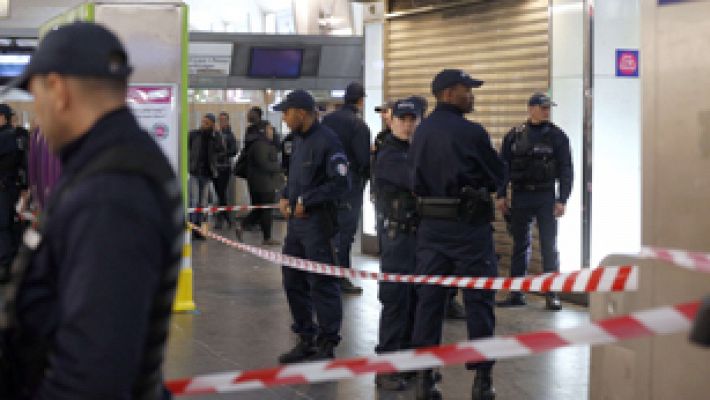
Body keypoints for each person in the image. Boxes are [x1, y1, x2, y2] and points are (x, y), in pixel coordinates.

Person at [0, 22, 182, 399]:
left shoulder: (112, 193)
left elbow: (93, 377)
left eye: (36, 97)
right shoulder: (109, 165)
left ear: (58, 90)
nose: (37, 112)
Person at [409, 69, 504, 400]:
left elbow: (413, 178)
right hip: (469, 230)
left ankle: (424, 378)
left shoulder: (420, 133)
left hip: (431, 229)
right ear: (448, 93)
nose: (472, 95)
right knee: (479, 300)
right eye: (467, 90)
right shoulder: (472, 133)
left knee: (429, 302)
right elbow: (497, 175)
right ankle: (482, 380)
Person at [275, 90, 349, 364]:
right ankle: (306, 337)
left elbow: (341, 183)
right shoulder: (297, 141)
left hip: (320, 224)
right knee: (293, 278)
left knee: (323, 282)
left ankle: (327, 343)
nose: (283, 118)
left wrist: (308, 200)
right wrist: (285, 194)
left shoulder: (328, 142)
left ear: (301, 113)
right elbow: (295, 178)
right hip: (297, 226)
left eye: (286, 112)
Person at [496, 92, 573, 311]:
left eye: (549, 108)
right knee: (520, 245)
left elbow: (566, 169)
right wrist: (501, 194)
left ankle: (552, 293)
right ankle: (516, 292)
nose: (547, 111)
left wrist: (562, 199)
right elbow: (504, 167)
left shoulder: (557, 136)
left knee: (549, 246)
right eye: (543, 107)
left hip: (545, 196)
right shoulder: (515, 135)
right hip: (521, 195)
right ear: (531, 109)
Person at [372, 98, 422, 391]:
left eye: (411, 119)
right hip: (397, 237)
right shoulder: (388, 153)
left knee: (416, 300)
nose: (407, 124)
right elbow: (415, 180)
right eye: (402, 119)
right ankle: (386, 366)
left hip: (418, 236)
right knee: (395, 301)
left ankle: (408, 362)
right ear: (392, 121)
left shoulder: (416, 150)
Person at [322, 82, 372, 295]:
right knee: (346, 235)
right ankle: (340, 278)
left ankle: (324, 275)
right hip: (350, 186)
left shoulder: (327, 120)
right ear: (360, 101)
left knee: (329, 232)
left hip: (328, 183)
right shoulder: (358, 125)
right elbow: (362, 159)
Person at [242, 123, 282, 246]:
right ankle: (267, 237)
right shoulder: (261, 145)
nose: (272, 131)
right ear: (263, 130)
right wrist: (279, 167)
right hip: (263, 183)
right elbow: (264, 163)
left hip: (259, 182)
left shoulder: (260, 143)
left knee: (259, 210)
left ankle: (242, 226)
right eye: (270, 128)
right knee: (266, 210)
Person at [188, 113, 225, 239]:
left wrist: (218, 134)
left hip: (207, 174)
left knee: (203, 203)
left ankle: (201, 231)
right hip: (194, 173)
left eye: (207, 123)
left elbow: (222, 149)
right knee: (194, 202)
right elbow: (187, 148)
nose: (203, 124)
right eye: (203, 122)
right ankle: (193, 228)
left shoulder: (214, 137)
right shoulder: (194, 134)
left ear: (212, 125)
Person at [0, 104, 23, 283]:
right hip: (9, 187)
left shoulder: (6, 137)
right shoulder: (12, 135)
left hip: (4, 188)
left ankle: (5, 266)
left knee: (3, 226)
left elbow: (8, 163)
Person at [213, 111, 238, 229]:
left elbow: (234, 150)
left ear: (227, 121)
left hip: (225, 168)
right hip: (214, 167)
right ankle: (226, 218)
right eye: (220, 119)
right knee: (219, 194)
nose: (222, 122)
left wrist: (223, 154)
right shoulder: (214, 134)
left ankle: (224, 218)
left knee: (221, 193)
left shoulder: (230, 135)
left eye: (224, 119)